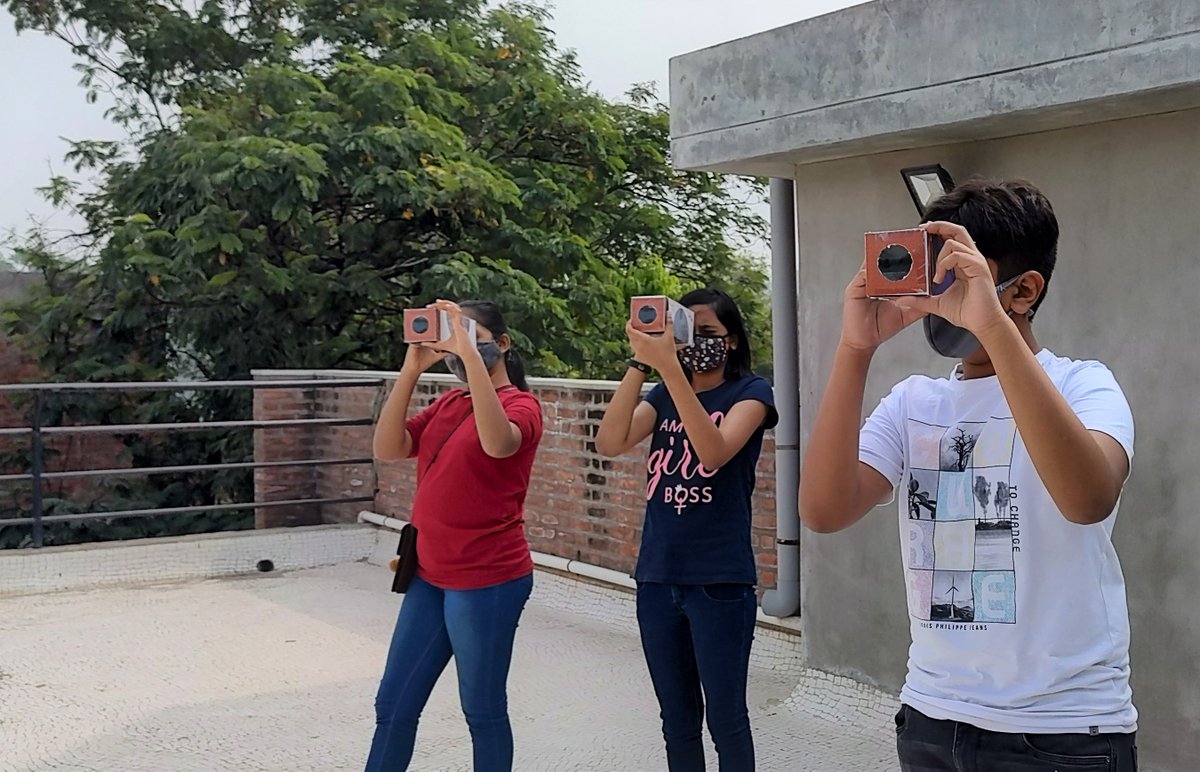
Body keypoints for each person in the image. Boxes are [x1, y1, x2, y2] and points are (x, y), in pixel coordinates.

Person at [799, 180, 1138, 770]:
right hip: (932, 718)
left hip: (1061, 730)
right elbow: (825, 510)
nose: (939, 298)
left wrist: (992, 327)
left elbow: (1086, 498)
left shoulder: (1084, 385)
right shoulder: (914, 403)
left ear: (1024, 289)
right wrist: (855, 349)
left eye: (957, 275)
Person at [596, 287, 777, 772]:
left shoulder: (752, 393)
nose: (697, 342)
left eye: (709, 333)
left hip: (718, 579)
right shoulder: (663, 394)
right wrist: (641, 364)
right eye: (687, 333)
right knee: (676, 720)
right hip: (658, 577)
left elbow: (713, 452)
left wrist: (672, 370)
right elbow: (611, 441)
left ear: (732, 341)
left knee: (726, 719)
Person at [366, 300, 543, 772]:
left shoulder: (523, 406)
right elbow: (388, 447)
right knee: (393, 706)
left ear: (502, 344)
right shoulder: (449, 402)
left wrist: (466, 351)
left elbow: (497, 442)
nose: (461, 345)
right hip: (430, 575)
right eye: (455, 334)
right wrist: (411, 368)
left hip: (488, 581)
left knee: (482, 713)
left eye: (473, 334)